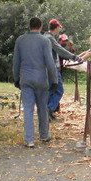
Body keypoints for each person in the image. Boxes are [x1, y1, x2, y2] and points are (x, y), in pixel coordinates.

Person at [13, 17, 58, 147]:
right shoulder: (44, 41)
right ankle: (44, 135)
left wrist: (16, 78)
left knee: (28, 109)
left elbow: (16, 61)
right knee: (42, 108)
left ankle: (29, 140)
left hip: (25, 78)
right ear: (41, 26)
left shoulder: (20, 40)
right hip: (41, 79)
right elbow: (50, 63)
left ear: (29, 26)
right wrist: (54, 80)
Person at [44, 18, 81, 119]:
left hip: (47, 68)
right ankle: (48, 109)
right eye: (59, 27)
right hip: (53, 68)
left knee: (51, 90)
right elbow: (60, 50)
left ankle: (48, 113)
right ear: (56, 27)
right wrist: (75, 57)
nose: (60, 29)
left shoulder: (46, 37)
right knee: (59, 90)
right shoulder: (50, 38)